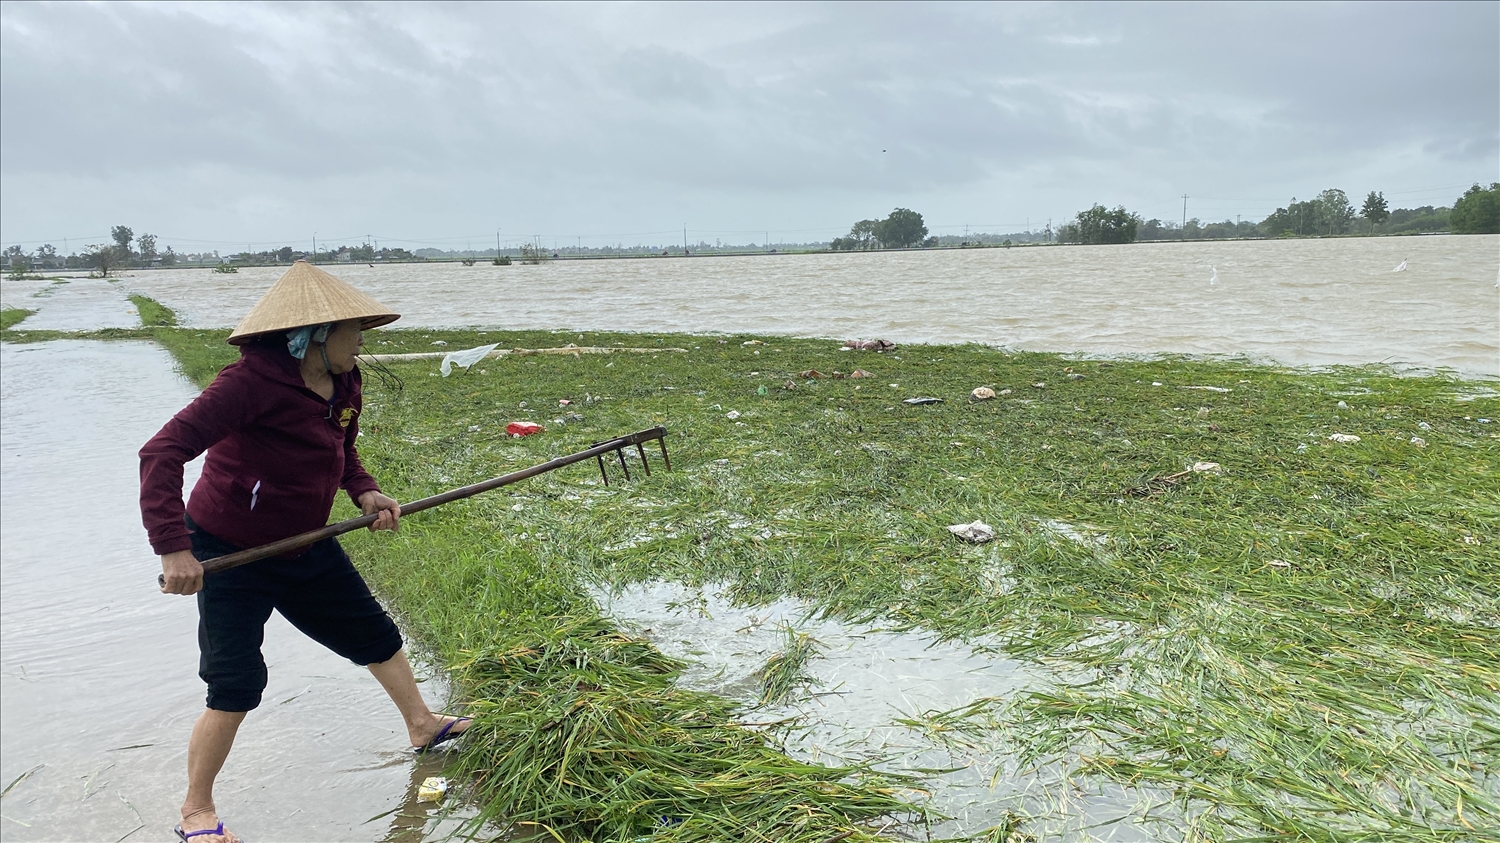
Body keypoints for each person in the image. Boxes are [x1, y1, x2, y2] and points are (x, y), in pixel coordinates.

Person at [140, 261, 469, 843]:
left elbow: (341, 444)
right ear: (316, 334)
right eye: (354, 330)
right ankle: (196, 808)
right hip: (230, 548)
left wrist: (364, 489)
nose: (362, 341)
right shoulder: (249, 382)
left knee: (375, 634)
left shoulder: (345, 380)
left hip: (303, 541)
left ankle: (423, 725)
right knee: (235, 682)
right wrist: (174, 548)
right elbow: (161, 451)